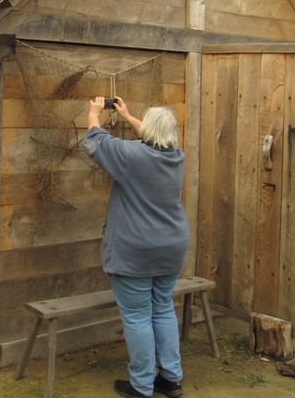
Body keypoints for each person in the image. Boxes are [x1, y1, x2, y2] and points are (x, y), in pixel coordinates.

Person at [80, 96, 189, 398]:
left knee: (138, 315)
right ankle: (171, 378)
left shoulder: (130, 156)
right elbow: (153, 134)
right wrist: (128, 116)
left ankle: (141, 385)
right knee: (163, 308)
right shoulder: (176, 155)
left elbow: (96, 141)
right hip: (171, 248)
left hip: (137, 251)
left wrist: (93, 112)